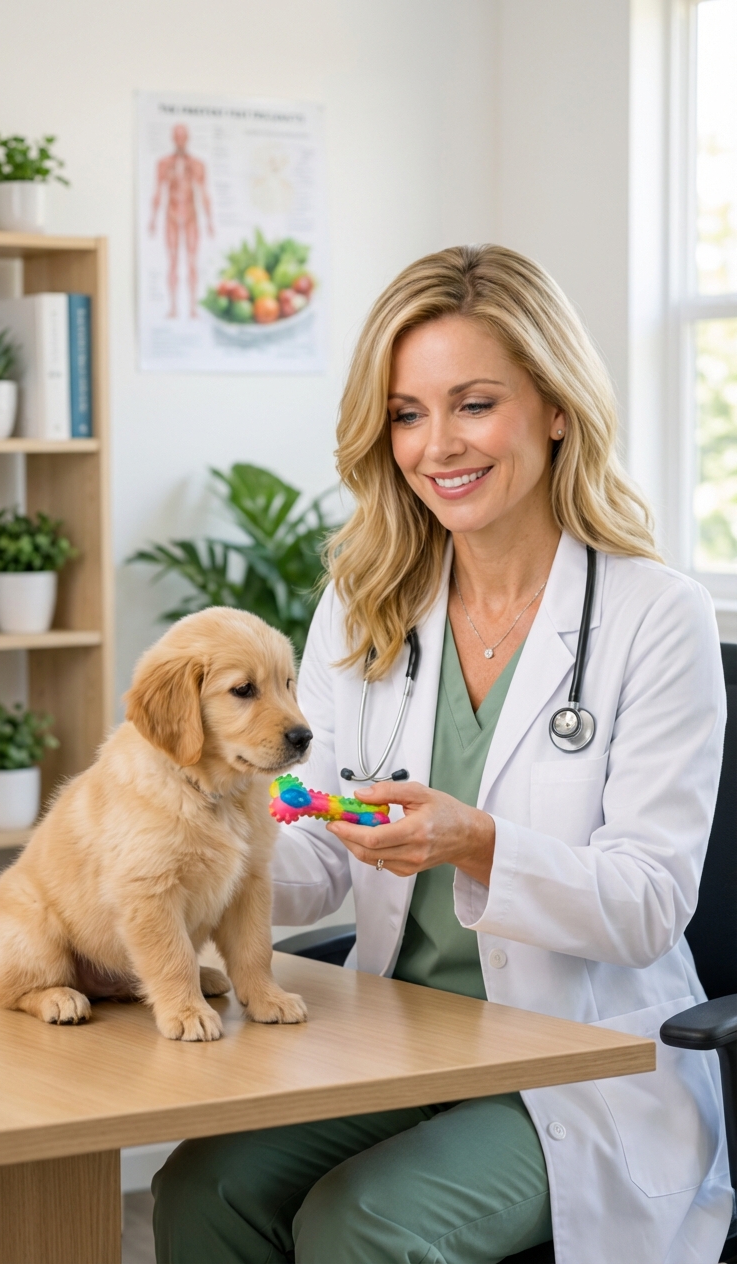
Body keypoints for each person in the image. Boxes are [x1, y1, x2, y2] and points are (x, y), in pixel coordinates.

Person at [152, 245, 730, 1264]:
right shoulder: (365, 605)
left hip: (573, 1061)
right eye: (407, 413)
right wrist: (185, 847)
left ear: (555, 407)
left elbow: (648, 902)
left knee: (364, 1221)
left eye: (474, 404)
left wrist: (476, 842)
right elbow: (314, 846)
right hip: (401, 1037)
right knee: (207, 1189)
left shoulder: (654, 615)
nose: (437, 446)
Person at [149, 123, 214, 319]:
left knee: (192, 262)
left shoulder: (197, 164)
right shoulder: (163, 163)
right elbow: (158, 192)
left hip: (191, 216)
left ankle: (192, 308)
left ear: (188, 138)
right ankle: (173, 308)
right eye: (177, 136)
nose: (180, 140)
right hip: (171, 215)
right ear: (172, 138)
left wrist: (210, 221)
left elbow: (204, 193)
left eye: (183, 136)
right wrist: (153, 219)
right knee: (173, 262)